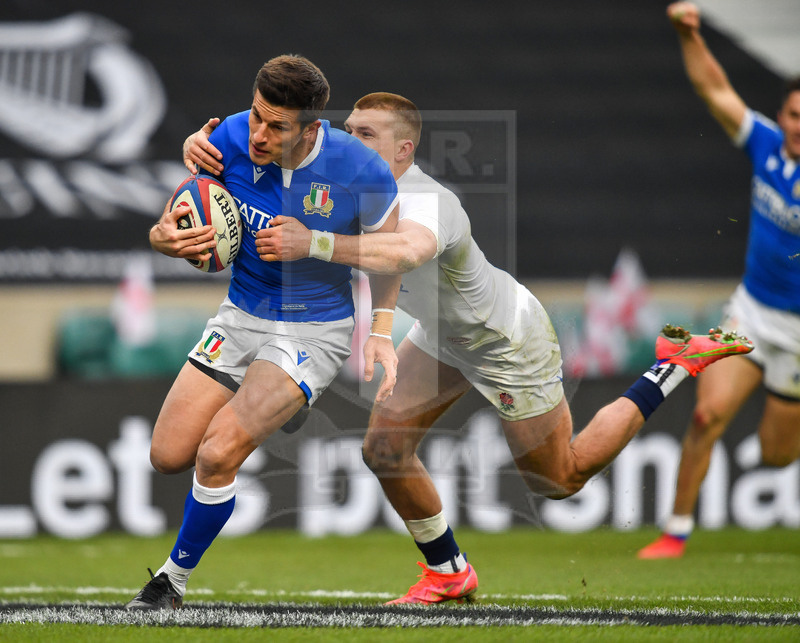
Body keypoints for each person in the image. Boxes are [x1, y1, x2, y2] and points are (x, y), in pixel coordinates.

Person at [185, 92, 754, 604]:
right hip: (440, 336)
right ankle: (449, 571)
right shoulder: (343, 187)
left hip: (503, 340)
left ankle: (669, 367)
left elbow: (402, 254)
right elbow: (252, 176)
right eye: (346, 129)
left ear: (403, 150)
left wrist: (314, 241)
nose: (345, 141)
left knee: (560, 478)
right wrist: (200, 148)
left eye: (365, 135)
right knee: (383, 450)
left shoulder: (430, 201)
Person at [125, 55, 401, 610]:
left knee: (217, 452)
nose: (258, 133)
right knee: (167, 454)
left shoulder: (361, 172)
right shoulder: (226, 137)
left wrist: (381, 331)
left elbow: (390, 256)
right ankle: (279, 399)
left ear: (311, 129)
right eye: (256, 115)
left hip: (314, 328)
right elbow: (179, 215)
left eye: (277, 126)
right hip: (241, 313)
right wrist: (162, 239)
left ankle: (170, 583)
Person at [636, 3, 800, 560]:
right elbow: (715, 89)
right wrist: (689, 34)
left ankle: (773, 447)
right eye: (795, 115)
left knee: (778, 456)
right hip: (751, 311)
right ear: (785, 114)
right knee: (706, 415)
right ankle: (675, 532)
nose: (799, 127)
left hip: (798, 333)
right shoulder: (767, 144)